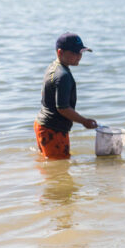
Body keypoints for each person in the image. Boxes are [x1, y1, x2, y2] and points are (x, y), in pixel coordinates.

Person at [34, 32, 98, 160]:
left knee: (51, 166)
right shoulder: (63, 76)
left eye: (81, 52)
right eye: (74, 53)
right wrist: (84, 121)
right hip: (53, 130)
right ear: (60, 52)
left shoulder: (53, 67)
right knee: (59, 168)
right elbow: (62, 108)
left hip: (42, 125)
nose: (79, 56)